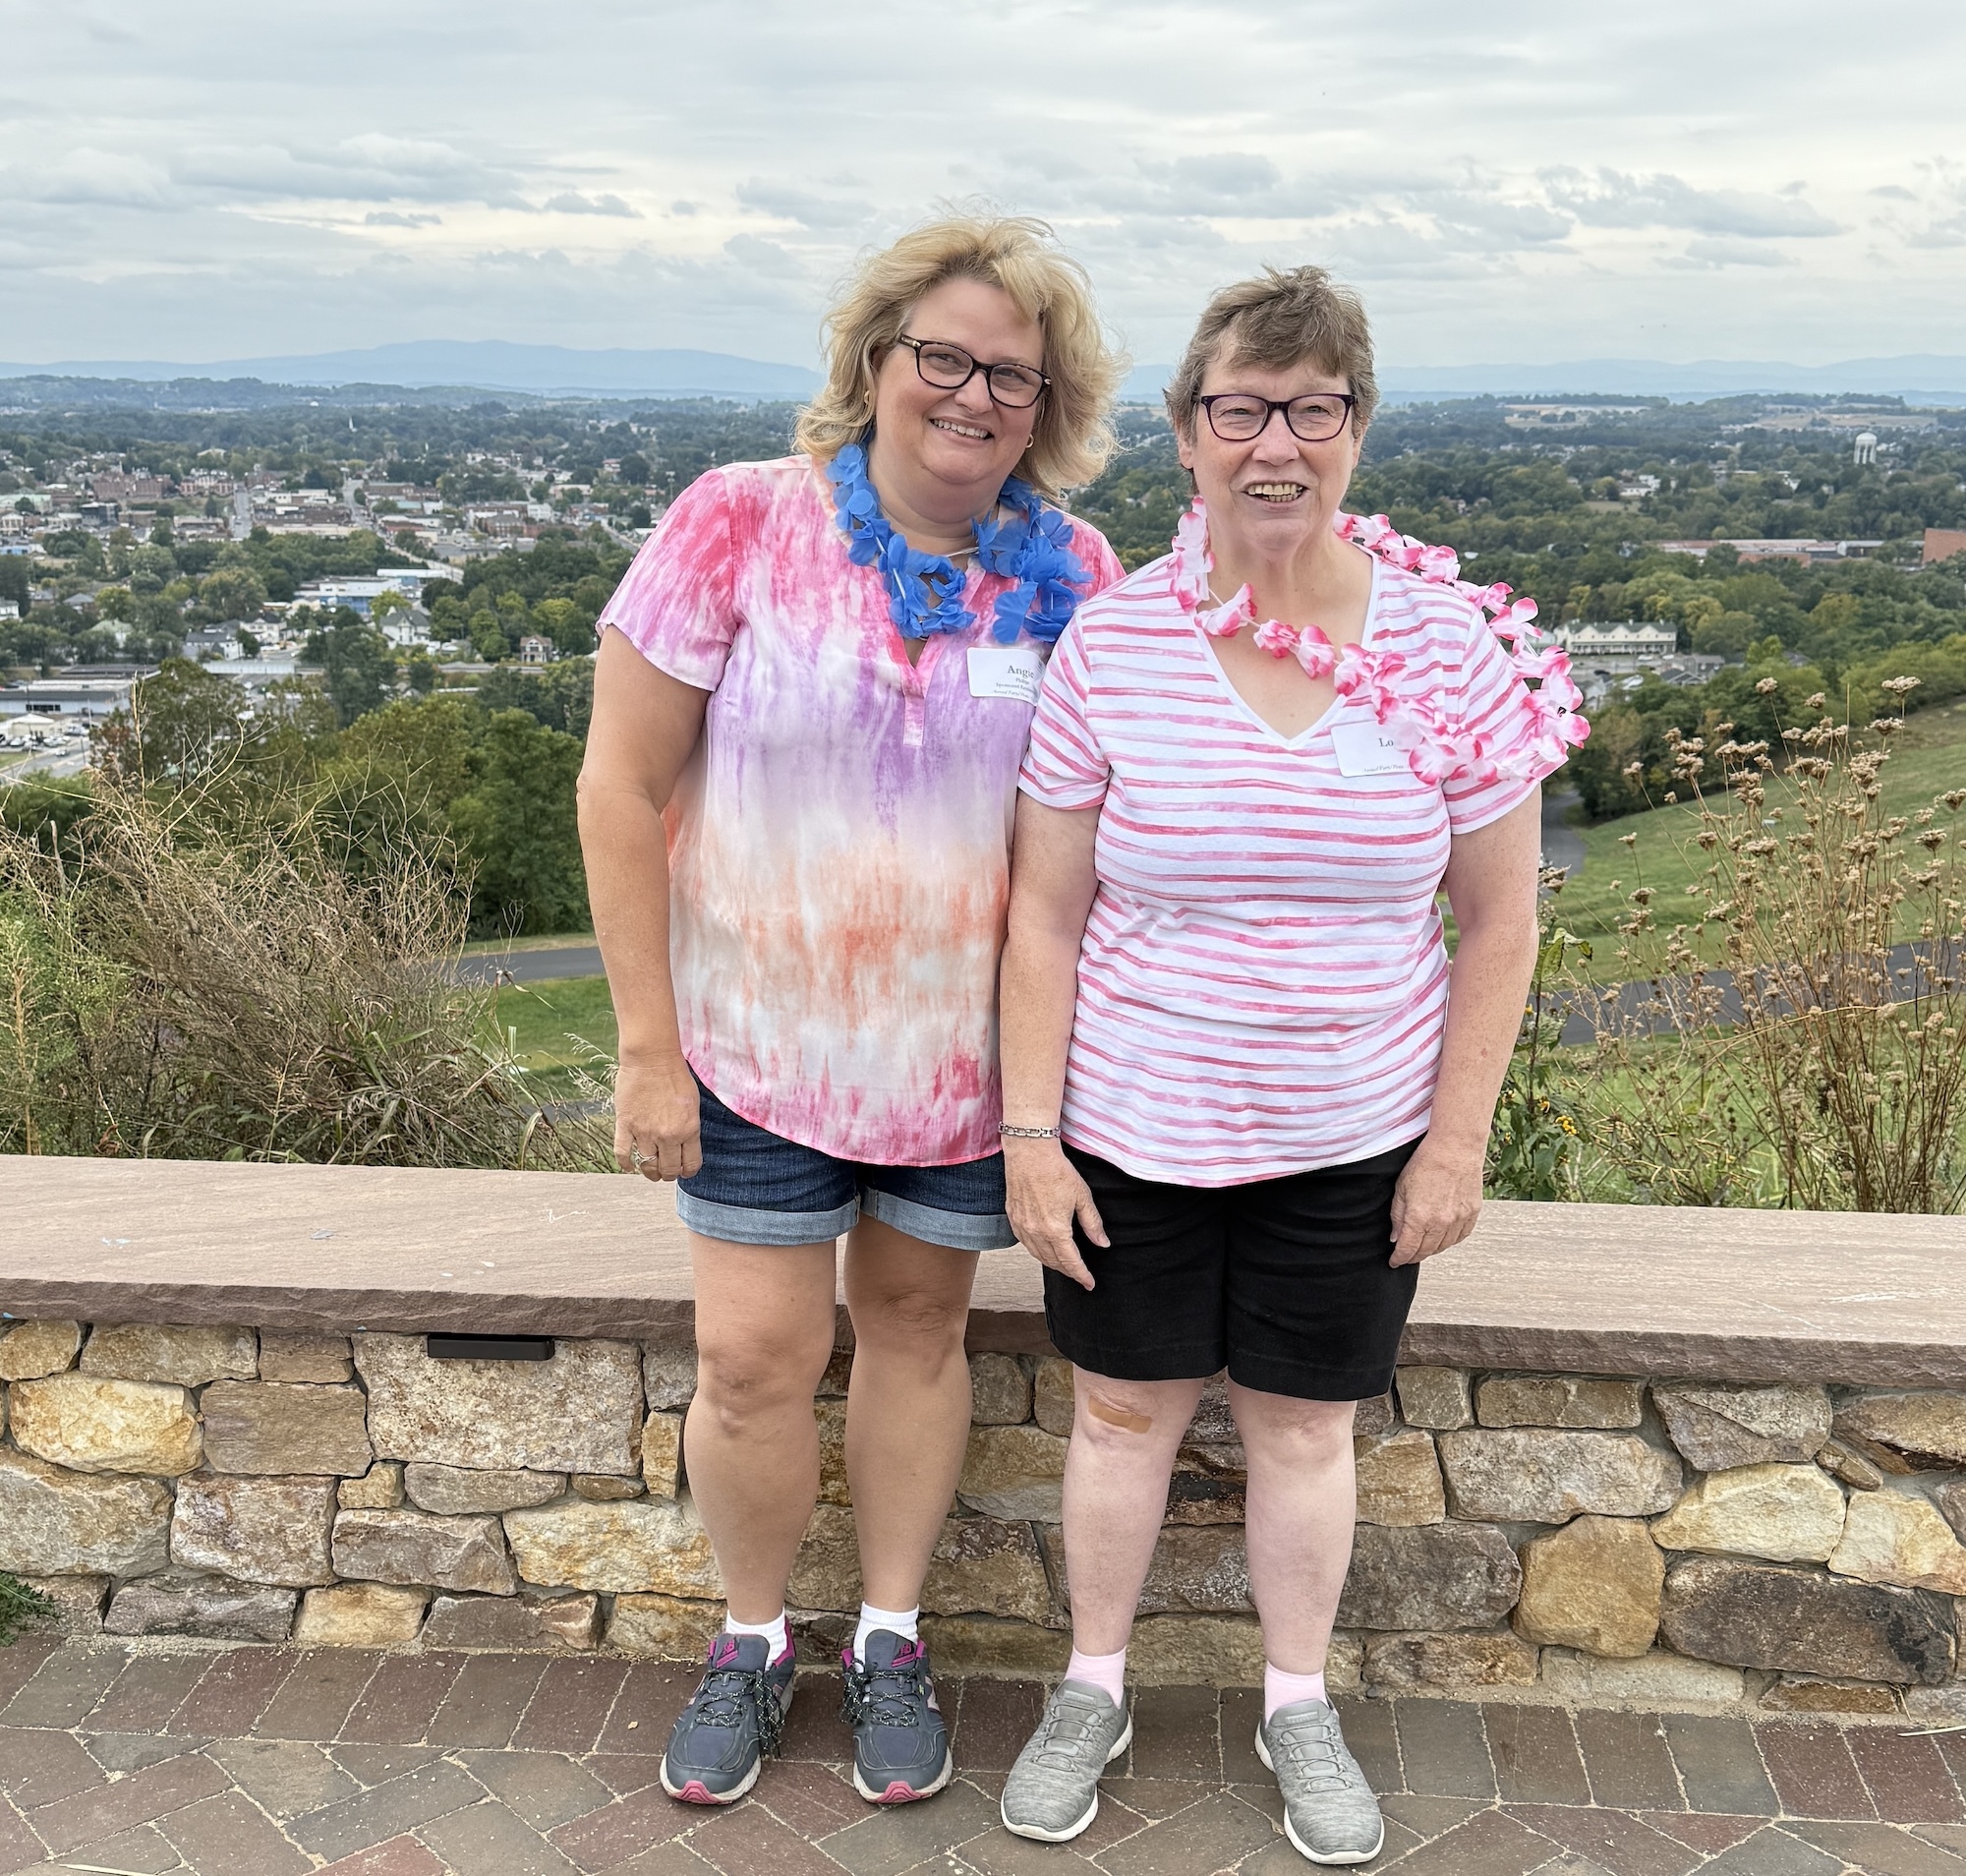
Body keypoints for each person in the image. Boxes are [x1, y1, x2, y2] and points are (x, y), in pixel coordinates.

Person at [992, 265, 1586, 1863]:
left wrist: (1456, 1144)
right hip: (1131, 1125)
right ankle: (1092, 1686)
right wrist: (1030, 1136)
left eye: (1311, 409)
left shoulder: (1455, 650)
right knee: (1121, 1418)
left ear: (1355, 432)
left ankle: (1297, 1705)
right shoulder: (1114, 648)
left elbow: (1503, 923)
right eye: (1241, 408)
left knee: (1305, 1431)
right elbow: (1042, 919)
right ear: (1186, 435)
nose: (1276, 443)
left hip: (1355, 1137)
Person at [576, 213, 1125, 1809]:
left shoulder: (1076, 574)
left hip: (962, 1065)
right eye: (940, 356)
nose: (971, 393)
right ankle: (750, 1642)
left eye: (1009, 374)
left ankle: (890, 1636)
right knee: (752, 1358)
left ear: (1048, 403)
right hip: (749, 1042)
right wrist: (643, 1044)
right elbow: (621, 789)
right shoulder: (738, 523)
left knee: (914, 1334)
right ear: (876, 363)